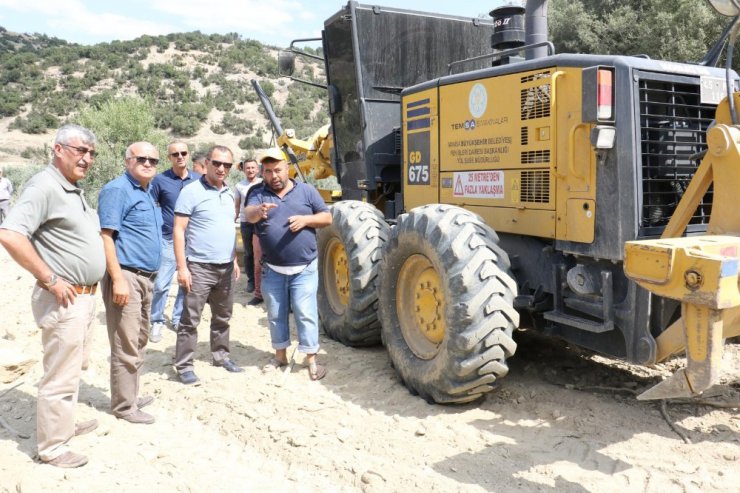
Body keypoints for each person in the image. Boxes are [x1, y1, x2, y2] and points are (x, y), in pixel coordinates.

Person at [0, 124, 105, 468]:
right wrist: (50, 278)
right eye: (80, 151)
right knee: (59, 373)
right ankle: (53, 448)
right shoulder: (44, 185)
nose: (87, 158)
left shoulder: (72, 189)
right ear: (58, 149)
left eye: (92, 153)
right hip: (65, 296)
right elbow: (11, 234)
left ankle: (64, 426)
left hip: (84, 296)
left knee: (72, 367)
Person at [246, 148, 332, 380]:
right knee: (275, 314)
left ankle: (311, 360)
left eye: (277, 170)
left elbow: (327, 217)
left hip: (304, 268)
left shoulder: (306, 191)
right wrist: (259, 211)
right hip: (272, 269)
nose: (273, 175)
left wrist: (306, 220)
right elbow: (249, 214)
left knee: (306, 313)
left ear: (287, 169)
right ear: (262, 174)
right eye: (268, 171)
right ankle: (280, 356)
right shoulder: (257, 192)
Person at [98, 142, 163, 425]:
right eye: (141, 159)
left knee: (138, 337)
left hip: (145, 278)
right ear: (128, 161)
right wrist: (118, 280)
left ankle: (130, 395)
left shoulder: (146, 192)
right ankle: (124, 407)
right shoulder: (117, 190)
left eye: (153, 160)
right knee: (125, 341)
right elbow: (106, 237)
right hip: (126, 276)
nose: (148, 163)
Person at [173, 145, 243, 384]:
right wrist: (182, 268)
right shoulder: (191, 191)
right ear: (207, 163)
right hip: (199, 267)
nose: (222, 168)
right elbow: (179, 230)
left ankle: (221, 356)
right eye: (217, 163)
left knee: (223, 316)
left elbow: (228, 229)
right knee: (190, 319)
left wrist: (233, 258)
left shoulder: (230, 193)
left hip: (225, 267)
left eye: (227, 165)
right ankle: (184, 366)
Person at [148, 141, 201, 343]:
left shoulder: (198, 180)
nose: (180, 156)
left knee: (186, 283)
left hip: (193, 240)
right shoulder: (160, 180)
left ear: (188, 155)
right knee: (161, 284)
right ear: (169, 157)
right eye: (175, 154)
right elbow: (152, 207)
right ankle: (157, 320)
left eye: (183, 153)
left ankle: (178, 318)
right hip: (168, 239)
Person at [234, 158, 262, 300]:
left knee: (263, 252)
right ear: (243, 170)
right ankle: (251, 281)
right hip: (246, 222)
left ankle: (263, 282)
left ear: (257, 169)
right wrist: (233, 219)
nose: (250, 170)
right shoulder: (240, 186)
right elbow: (237, 205)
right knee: (248, 252)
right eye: (248, 168)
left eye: (253, 167)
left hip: (261, 221)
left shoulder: (263, 183)